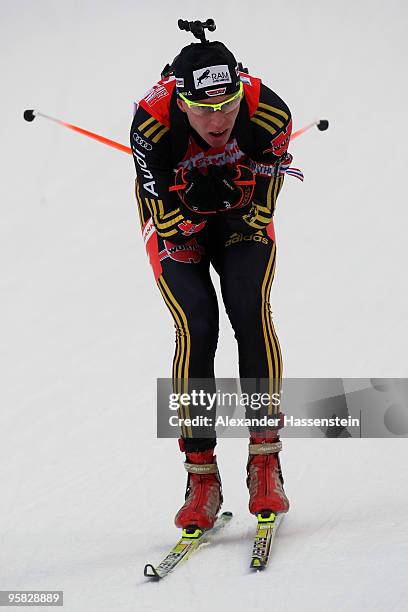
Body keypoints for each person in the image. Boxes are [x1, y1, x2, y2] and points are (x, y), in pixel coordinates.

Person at [130, 37, 296, 530]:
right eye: (203, 110)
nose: (218, 121)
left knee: (249, 307)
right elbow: (164, 223)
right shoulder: (151, 122)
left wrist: (237, 196)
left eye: (226, 106)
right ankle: (201, 476)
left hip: (241, 211)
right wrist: (191, 204)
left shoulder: (267, 109)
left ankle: (265, 462)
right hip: (175, 217)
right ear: (180, 100)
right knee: (198, 325)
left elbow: (267, 198)